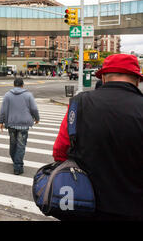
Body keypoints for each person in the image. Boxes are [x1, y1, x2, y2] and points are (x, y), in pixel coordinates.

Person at [52, 54, 143, 221]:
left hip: (85, 203)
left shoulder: (79, 103)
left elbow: (60, 151)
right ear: (137, 79)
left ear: (104, 78)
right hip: (134, 208)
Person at [0, 78, 39, 175]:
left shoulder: (7, 95)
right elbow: (34, 108)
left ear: (14, 85)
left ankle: (16, 161)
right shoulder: (28, 95)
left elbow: (3, 110)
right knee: (21, 146)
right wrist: (37, 118)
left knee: (13, 144)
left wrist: (1, 121)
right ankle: (17, 166)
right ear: (22, 85)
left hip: (11, 123)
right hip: (24, 124)